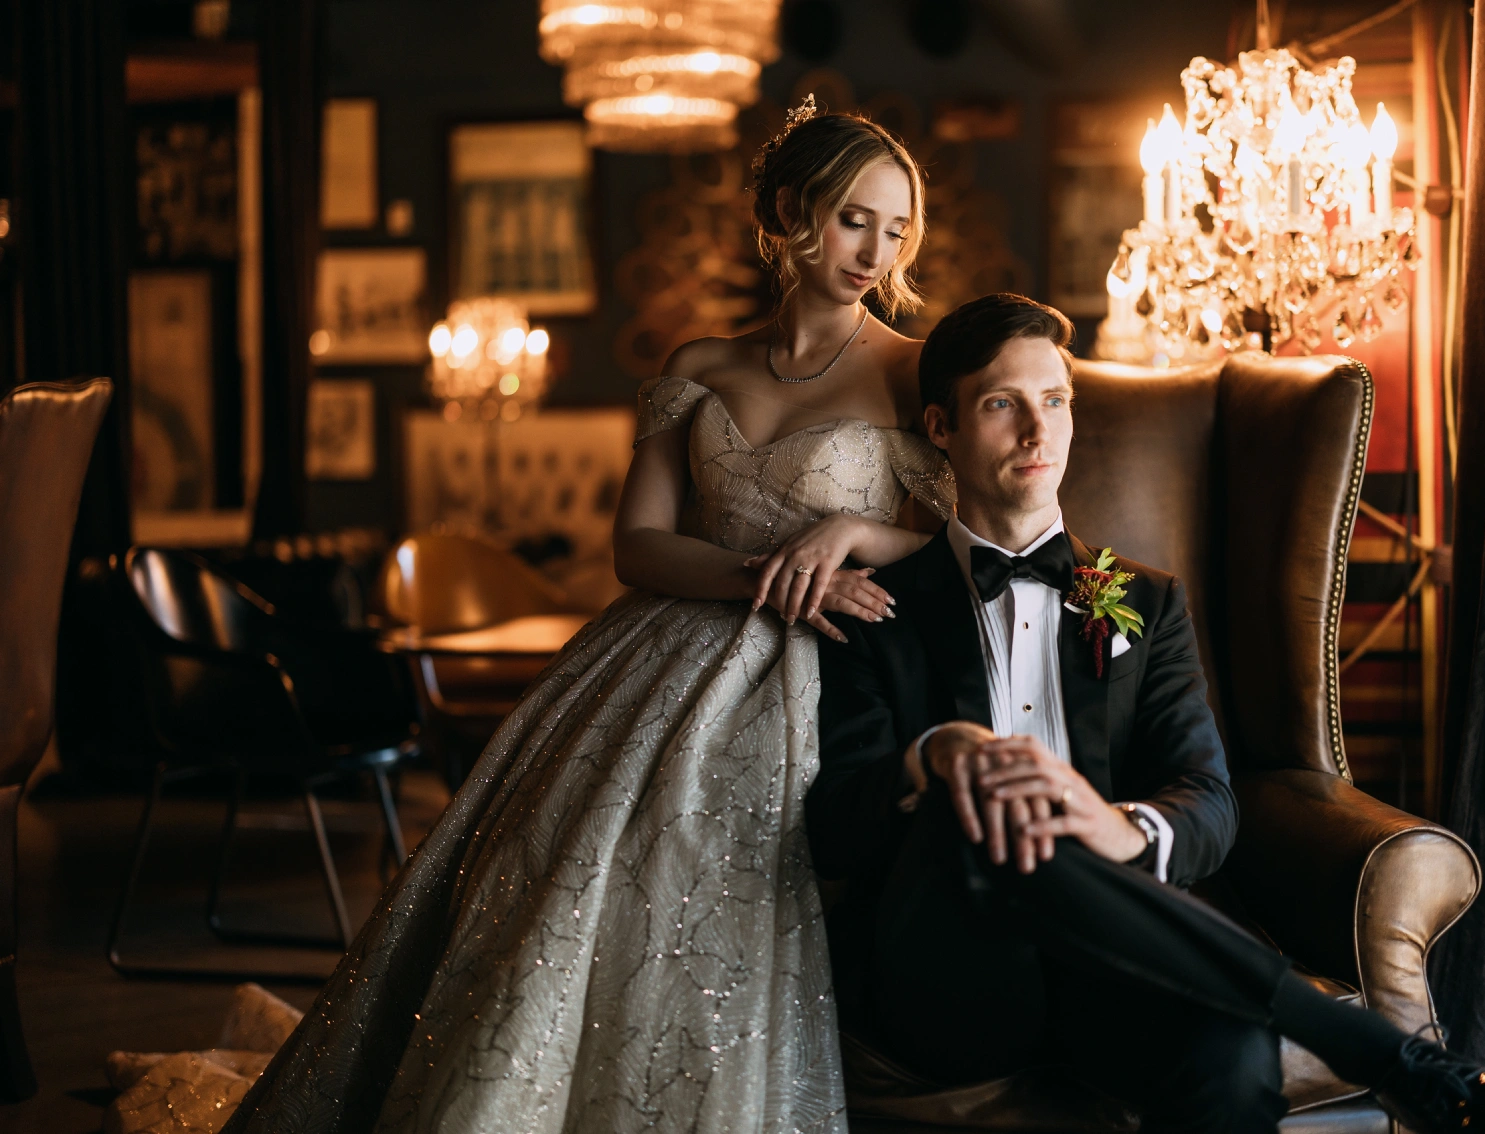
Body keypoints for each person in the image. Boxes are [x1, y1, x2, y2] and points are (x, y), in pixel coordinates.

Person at [205, 101, 952, 1134]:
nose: (876, 249)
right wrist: (754, 574)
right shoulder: (698, 366)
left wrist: (850, 541)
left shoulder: (915, 371)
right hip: (659, 641)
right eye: (853, 219)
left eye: (896, 227)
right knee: (536, 867)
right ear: (791, 210)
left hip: (823, 664)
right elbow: (635, 545)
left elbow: (964, 548)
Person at [806, 293, 1485, 1134]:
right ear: (940, 428)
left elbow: (1207, 798)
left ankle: (1375, 1055)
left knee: (1232, 1054)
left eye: (1054, 401)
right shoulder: (880, 609)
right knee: (983, 805)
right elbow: (838, 829)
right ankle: (1390, 1056)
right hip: (953, 983)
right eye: (1001, 404)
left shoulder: (1146, 601)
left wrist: (1119, 829)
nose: (1038, 431)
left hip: (1115, 960)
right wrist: (935, 758)